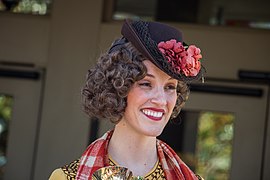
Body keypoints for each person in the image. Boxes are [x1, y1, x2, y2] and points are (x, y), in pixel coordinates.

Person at [49, 19, 204, 180]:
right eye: (146, 83)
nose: (161, 100)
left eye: (170, 87)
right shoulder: (66, 178)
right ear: (117, 87)